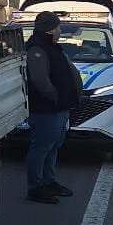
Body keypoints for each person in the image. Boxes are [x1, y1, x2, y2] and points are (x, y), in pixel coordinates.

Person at [25, 11, 83, 204]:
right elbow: (40, 80)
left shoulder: (50, 46)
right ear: (50, 29)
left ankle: (49, 182)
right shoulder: (37, 48)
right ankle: (36, 187)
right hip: (46, 110)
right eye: (58, 27)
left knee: (52, 147)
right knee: (41, 148)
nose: (60, 31)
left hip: (58, 108)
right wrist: (57, 98)